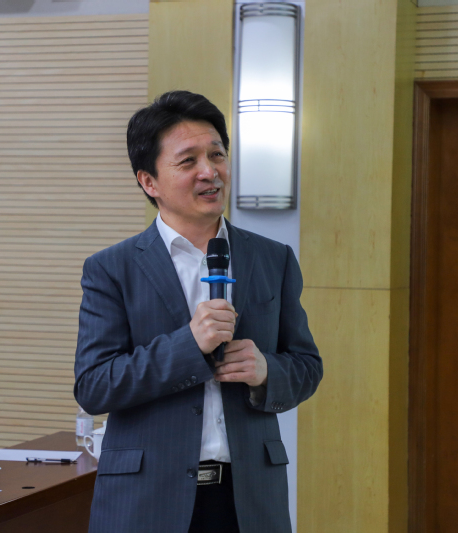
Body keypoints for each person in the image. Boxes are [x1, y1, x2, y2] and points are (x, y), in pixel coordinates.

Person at [74, 90, 323, 533]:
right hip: (146, 501)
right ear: (149, 182)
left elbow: (307, 366)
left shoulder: (273, 258)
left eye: (217, 154)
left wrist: (266, 371)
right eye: (188, 161)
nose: (210, 171)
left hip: (249, 500)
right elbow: (94, 386)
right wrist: (188, 345)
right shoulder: (112, 268)